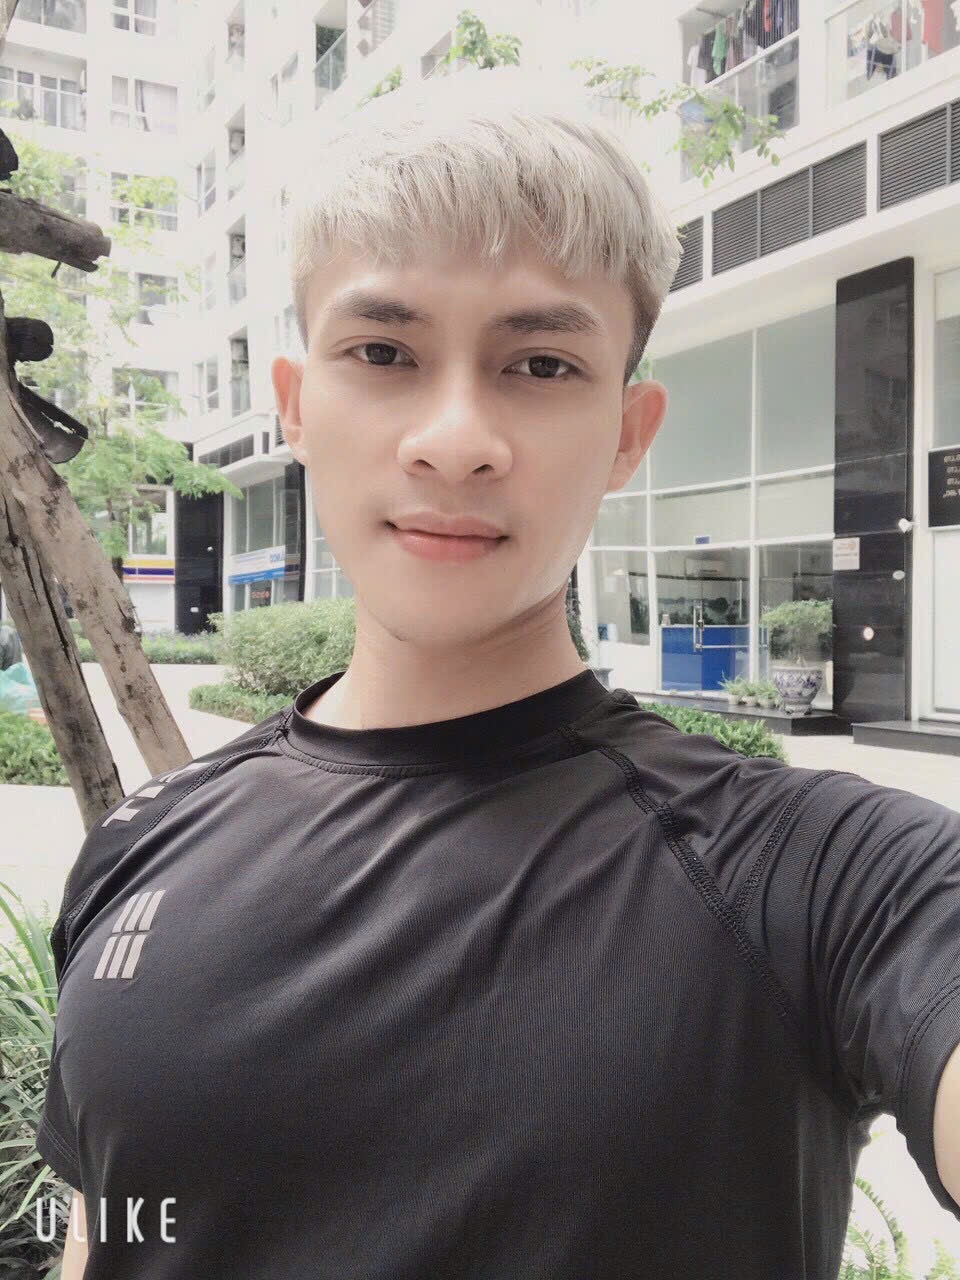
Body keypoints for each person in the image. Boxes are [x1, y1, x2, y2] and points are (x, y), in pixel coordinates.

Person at [37, 64, 960, 1279]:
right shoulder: (143, 841)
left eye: (540, 365)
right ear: (297, 407)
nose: (456, 440)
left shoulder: (819, 871)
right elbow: (104, 1233)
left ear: (628, 433)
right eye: (383, 349)